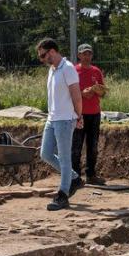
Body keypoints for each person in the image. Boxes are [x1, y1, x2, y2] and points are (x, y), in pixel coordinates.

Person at [36, 38, 84, 211]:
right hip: (52, 118)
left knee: (64, 158)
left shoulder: (68, 68)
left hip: (65, 119)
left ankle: (63, 195)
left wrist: (79, 116)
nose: (42, 59)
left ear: (52, 52)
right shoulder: (52, 69)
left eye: (43, 55)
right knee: (46, 154)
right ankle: (74, 178)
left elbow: (76, 95)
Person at [72, 43, 107, 185]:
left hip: (94, 114)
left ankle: (91, 175)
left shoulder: (96, 71)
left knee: (93, 145)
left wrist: (99, 91)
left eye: (89, 54)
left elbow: (103, 93)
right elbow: (69, 93)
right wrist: (82, 93)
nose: (87, 56)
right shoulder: (73, 71)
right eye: (84, 54)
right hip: (79, 114)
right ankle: (75, 177)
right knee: (76, 146)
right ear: (79, 55)